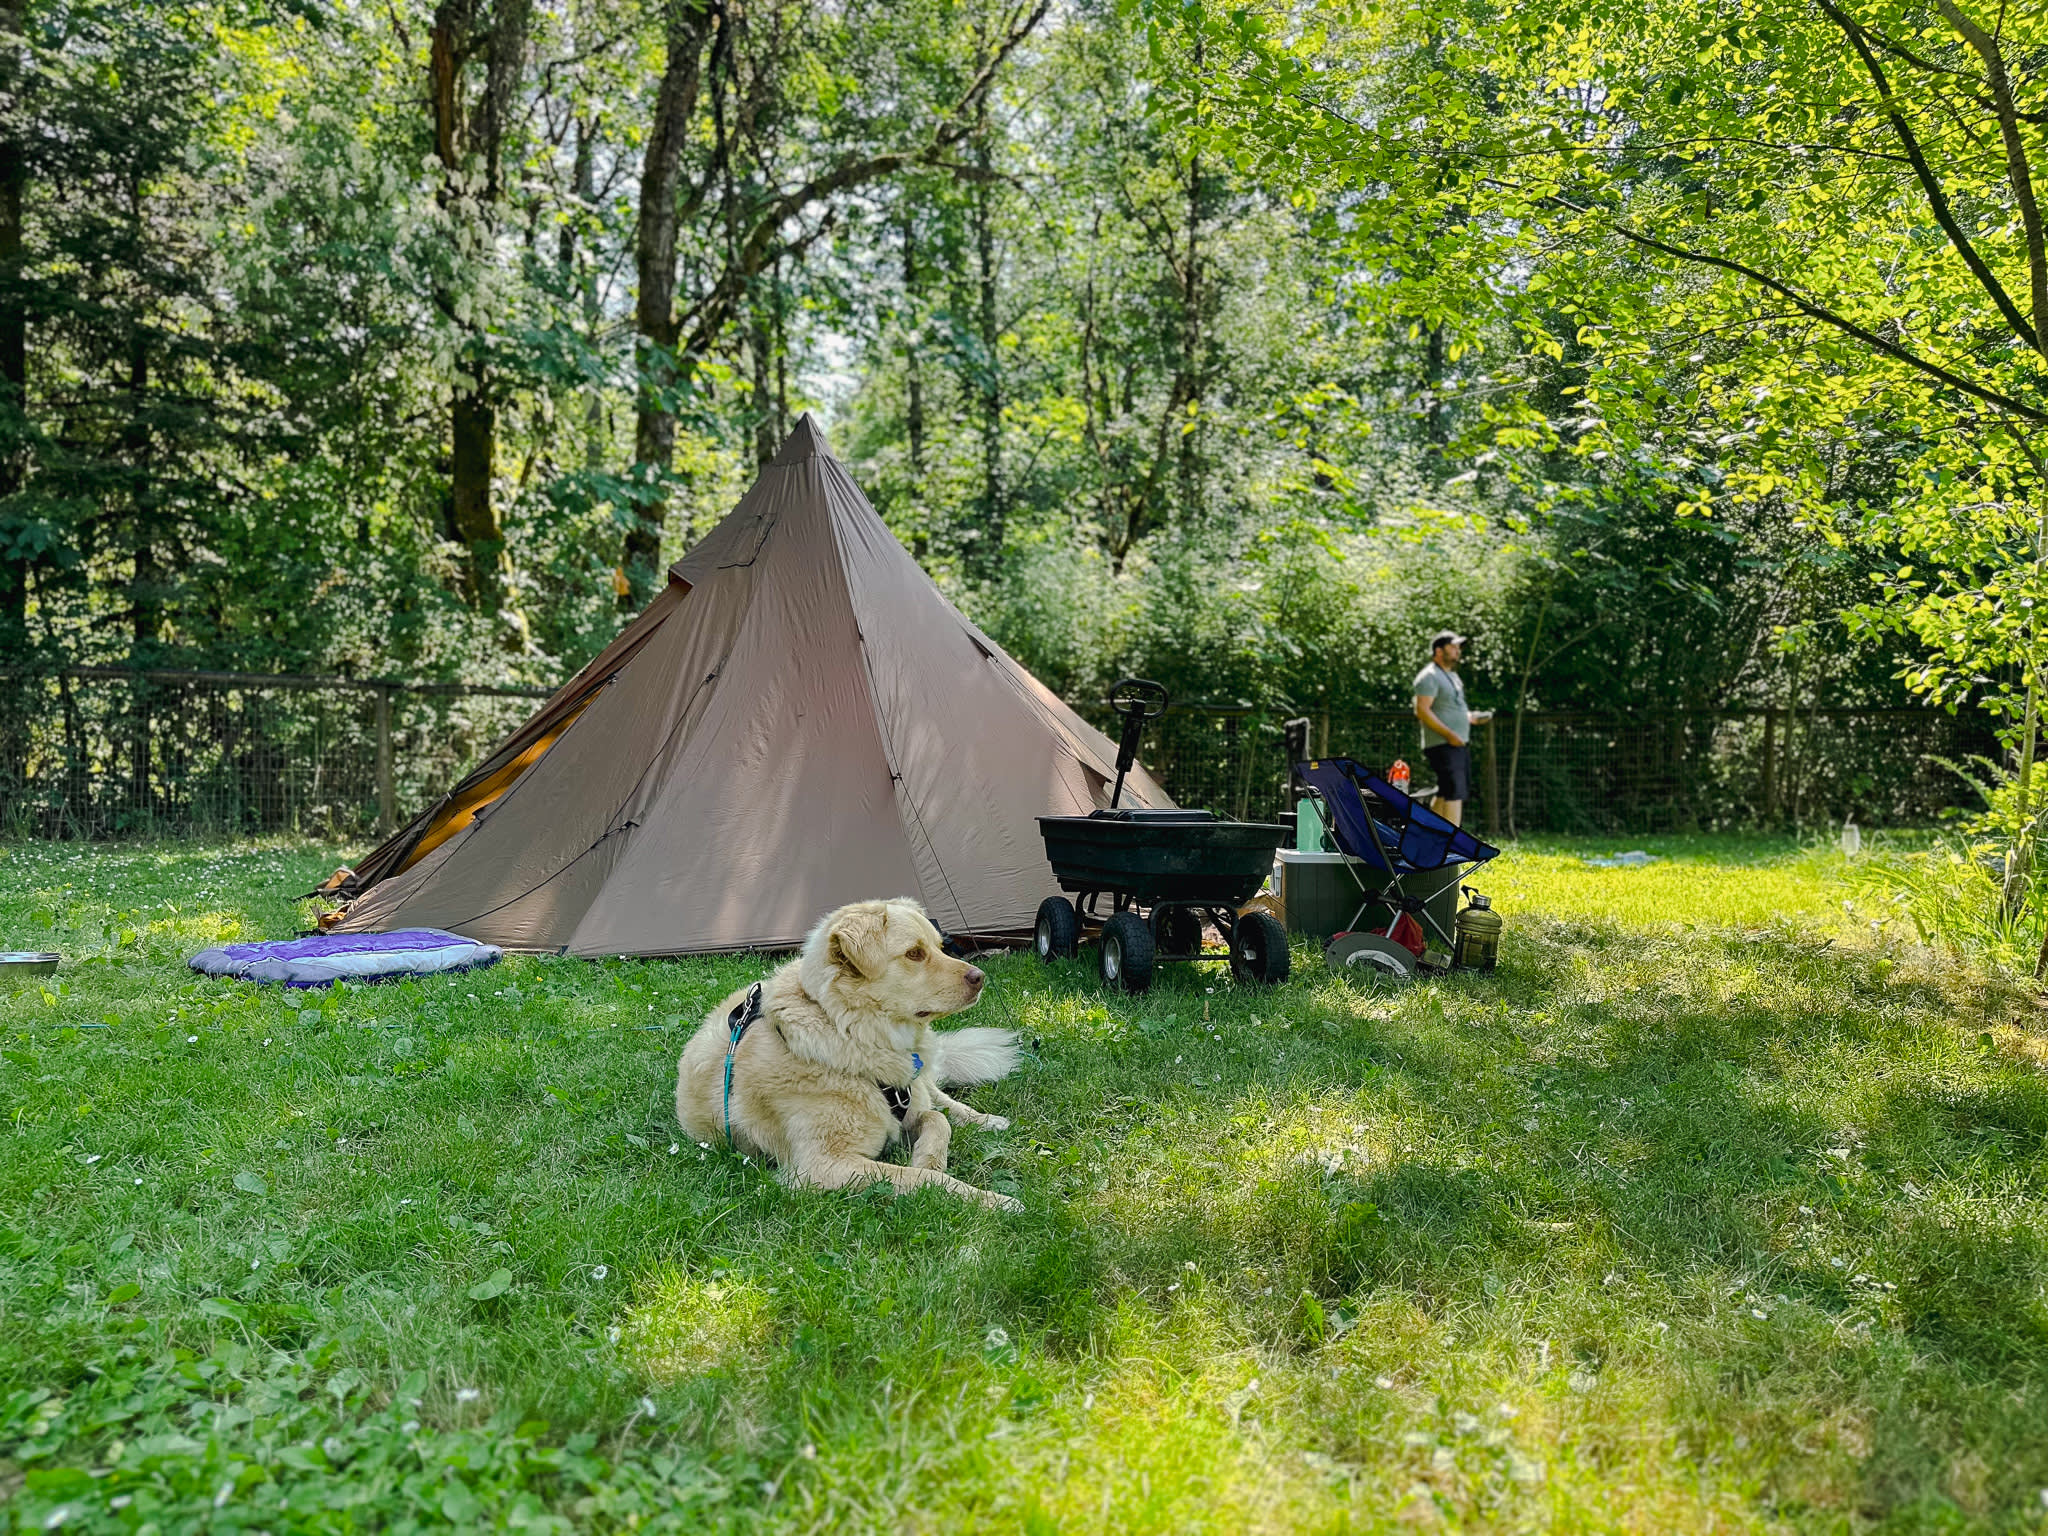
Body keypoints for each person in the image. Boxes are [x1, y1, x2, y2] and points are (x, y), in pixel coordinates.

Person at [1412, 631, 1491, 827]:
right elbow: (1422, 711)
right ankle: (1453, 847)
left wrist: (1469, 717)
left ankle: (1427, 836)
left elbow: (1451, 708)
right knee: (1455, 791)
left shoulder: (1452, 676)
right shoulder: (1429, 676)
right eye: (1452, 646)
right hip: (1442, 743)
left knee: (1446, 791)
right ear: (1439, 651)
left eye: (1458, 647)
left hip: (1456, 742)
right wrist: (1450, 734)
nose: (1457, 651)